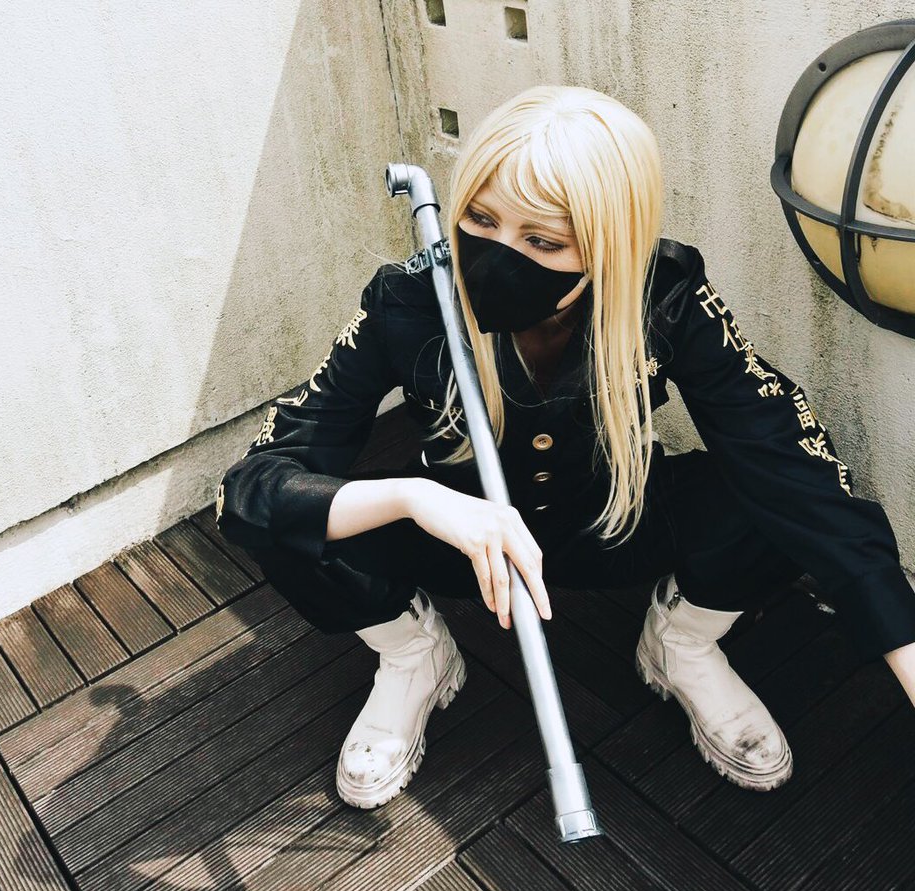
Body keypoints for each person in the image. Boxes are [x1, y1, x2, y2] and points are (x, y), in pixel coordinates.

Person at [213, 84, 915, 810]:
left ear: (611, 242)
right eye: (480, 218)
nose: (497, 255)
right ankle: (413, 655)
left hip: (613, 525)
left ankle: (683, 643)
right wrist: (416, 499)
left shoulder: (664, 295)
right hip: (465, 546)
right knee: (294, 522)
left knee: (782, 493)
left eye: (543, 241)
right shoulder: (408, 301)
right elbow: (254, 484)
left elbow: (789, 460)